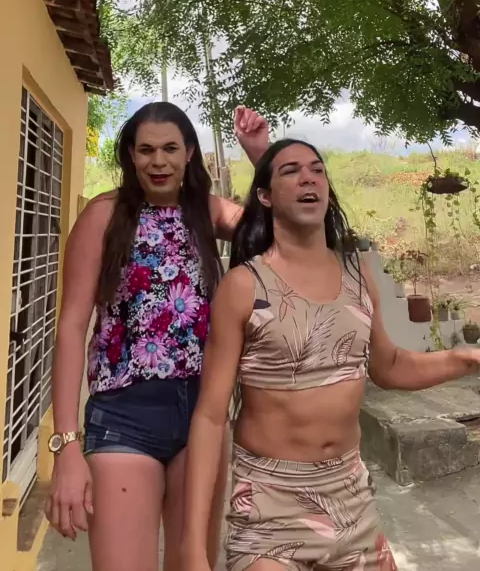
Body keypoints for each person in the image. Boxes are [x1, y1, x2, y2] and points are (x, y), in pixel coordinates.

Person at [182, 138, 480, 571]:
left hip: (351, 503)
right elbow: (211, 416)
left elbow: (389, 366)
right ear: (265, 197)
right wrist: (193, 548)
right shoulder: (244, 286)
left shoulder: (358, 278)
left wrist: (467, 358)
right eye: (290, 171)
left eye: (317, 170)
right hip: (269, 510)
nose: (308, 178)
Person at [45, 101, 269, 571]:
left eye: (170, 148)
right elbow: (71, 326)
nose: (158, 161)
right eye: (146, 150)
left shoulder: (204, 211)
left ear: (189, 153)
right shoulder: (104, 216)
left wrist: (260, 154)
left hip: (203, 414)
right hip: (124, 416)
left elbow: (273, 229)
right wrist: (66, 446)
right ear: (131, 155)